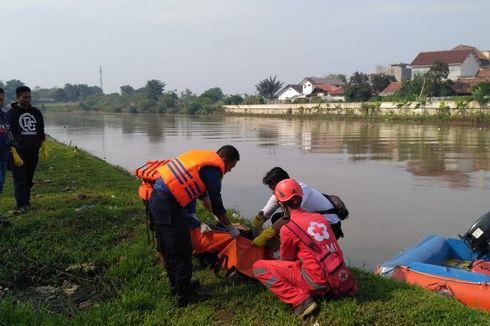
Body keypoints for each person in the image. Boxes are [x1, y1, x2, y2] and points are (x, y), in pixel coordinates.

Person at [149, 145, 241, 307]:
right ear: (225, 160)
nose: (229, 171)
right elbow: (217, 203)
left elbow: (202, 197)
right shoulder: (213, 169)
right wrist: (230, 227)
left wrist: (198, 221)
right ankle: (185, 297)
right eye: (231, 167)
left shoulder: (201, 162)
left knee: (169, 246)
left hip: (158, 198)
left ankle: (177, 286)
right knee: (181, 250)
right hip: (168, 204)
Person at [252, 179, 353, 319]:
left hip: (317, 283)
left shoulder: (288, 229)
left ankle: (301, 302)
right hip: (336, 274)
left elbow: (286, 260)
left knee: (259, 267)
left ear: (281, 203)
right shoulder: (320, 218)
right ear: (301, 198)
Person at [251, 167, 344, 247]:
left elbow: (289, 218)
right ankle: (285, 245)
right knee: (277, 218)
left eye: (274, 188)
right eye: (271, 189)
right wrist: (258, 221)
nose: (273, 192)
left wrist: (265, 235)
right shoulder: (281, 191)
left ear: (283, 183)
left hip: (329, 227)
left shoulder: (300, 191)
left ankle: (297, 250)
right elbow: (266, 212)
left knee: (287, 226)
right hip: (313, 222)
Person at [7, 86, 46, 212]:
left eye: (29, 97)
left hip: (33, 151)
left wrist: (43, 144)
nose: (28, 99)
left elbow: (41, 130)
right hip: (18, 152)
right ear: (17, 98)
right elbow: (7, 132)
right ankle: (21, 204)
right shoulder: (11, 113)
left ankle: (27, 202)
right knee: (20, 179)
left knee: (29, 179)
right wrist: (12, 149)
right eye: (25, 97)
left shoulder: (36, 112)